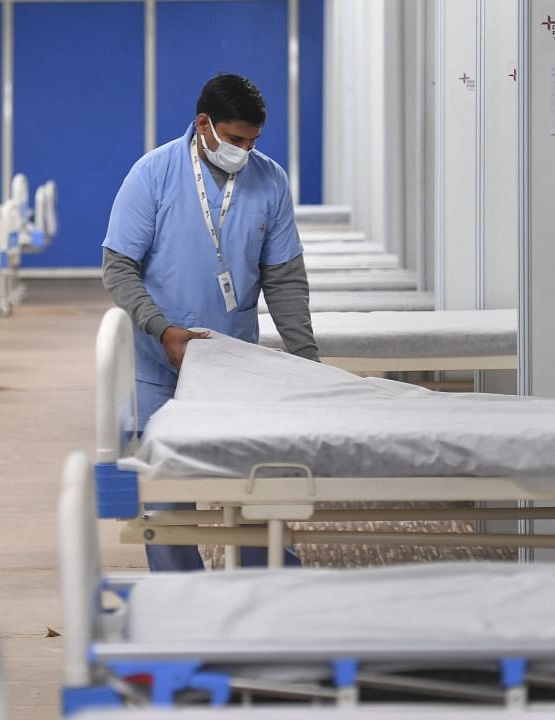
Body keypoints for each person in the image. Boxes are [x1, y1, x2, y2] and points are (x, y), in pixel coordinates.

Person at [102, 73, 318, 571]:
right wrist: (161, 329)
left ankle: (265, 587)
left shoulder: (270, 179)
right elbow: (119, 267)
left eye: (253, 141)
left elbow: (284, 279)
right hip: (161, 361)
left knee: (251, 482)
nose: (245, 150)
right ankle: (182, 600)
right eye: (236, 139)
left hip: (233, 362)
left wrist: (306, 358)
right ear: (204, 124)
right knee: (168, 497)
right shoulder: (152, 174)